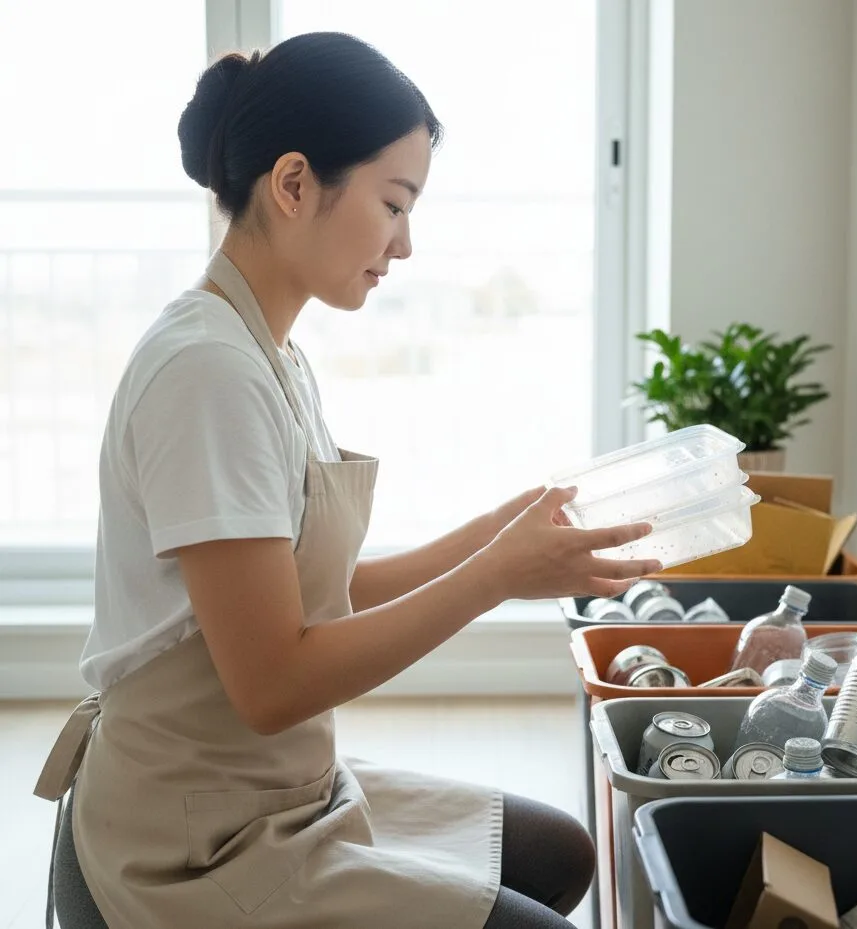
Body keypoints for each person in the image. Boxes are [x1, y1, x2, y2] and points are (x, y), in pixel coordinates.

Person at [34, 31, 661, 929]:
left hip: (276, 796)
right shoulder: (206, 373)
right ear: (294, 185)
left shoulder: (269, 353)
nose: (405, 245)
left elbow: (322, 595)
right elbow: (275, 681)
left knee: (559, 850)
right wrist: (497, 576)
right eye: (394, 203)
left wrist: (503, 527)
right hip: (190, 844)